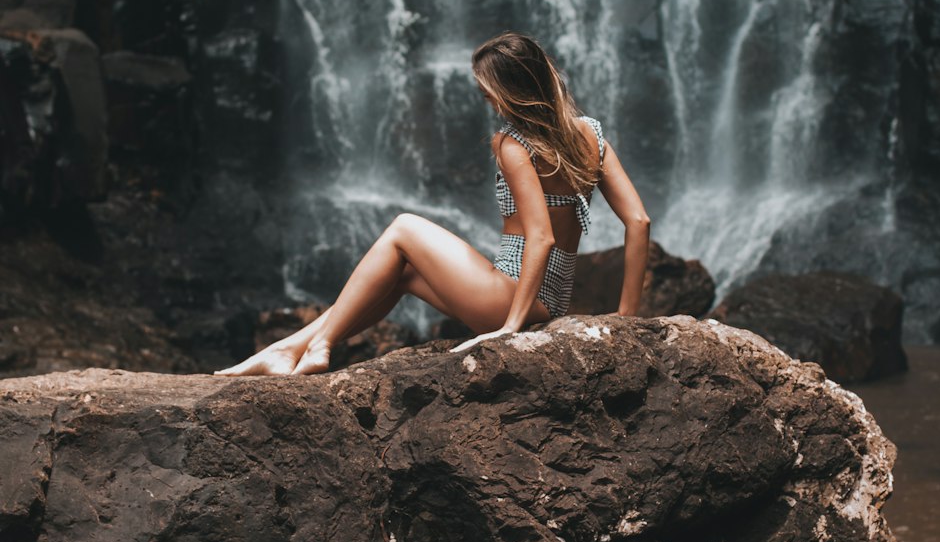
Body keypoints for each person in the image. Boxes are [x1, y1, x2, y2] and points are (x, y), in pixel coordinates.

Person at [216, 31, 651, 375]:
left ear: (511, 90)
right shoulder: (590, 135)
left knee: (404, 227)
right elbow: (638, 221)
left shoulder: (513, 142)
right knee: (398, 273)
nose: (487, 101)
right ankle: (292, 349)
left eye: (488, 91)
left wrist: (511, 327)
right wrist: (626, 317)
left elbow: (540, 235)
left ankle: (318, 345)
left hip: (513, 297)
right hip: (548, 299)